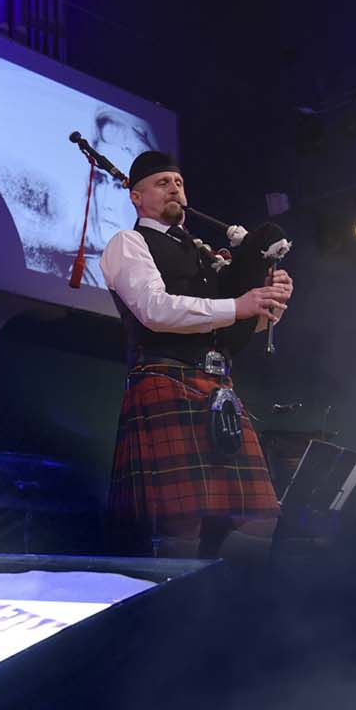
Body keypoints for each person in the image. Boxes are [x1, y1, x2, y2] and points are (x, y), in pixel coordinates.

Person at [100, 151, 294, 561]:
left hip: (218, 385)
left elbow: (239, 324)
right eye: (162, 182)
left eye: (178, 182)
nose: (174, 188)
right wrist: (239, 305)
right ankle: (179, 596)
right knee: (181, 519)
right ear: (136, 197)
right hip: (166, 379)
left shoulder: (202, 253)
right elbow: (154, 310)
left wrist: (268, 301)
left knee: (261, 516)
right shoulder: (129, 243)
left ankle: (229, 594)